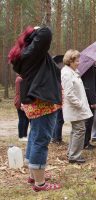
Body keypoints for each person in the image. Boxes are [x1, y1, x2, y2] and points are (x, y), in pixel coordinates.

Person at [9, 26, 62, 191]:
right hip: (42, 103)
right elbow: (46, 33)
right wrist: (36, 29)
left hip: (36, 102)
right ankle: (40, 183)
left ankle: (34, 176)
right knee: (41, 140)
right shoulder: (33, 53)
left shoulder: (24, 55)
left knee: (34, 136)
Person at [61, 49, 93, 164]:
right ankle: (74, 156)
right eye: (77, 61)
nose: (79, 62)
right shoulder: (66, 73)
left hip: (77, 108)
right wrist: (80, 105)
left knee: (76, 130)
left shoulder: (72, 71)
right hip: (75, 108)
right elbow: (68, 94)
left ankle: (71, 153)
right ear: (70, 61)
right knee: (79, 130)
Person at [81, 62, 96, 150]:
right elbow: (90, 85)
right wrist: (93, 101)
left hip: (86, 97)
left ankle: (86, 142)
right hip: (89, 99)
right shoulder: (90, 68)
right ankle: (85, 143)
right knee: (88, 121)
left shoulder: (90, 67)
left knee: (88, 121)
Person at [14, 75, 29, 142]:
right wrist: (22, 103)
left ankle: (24, 135)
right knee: (22, 119)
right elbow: (22, 92)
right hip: (21, 101)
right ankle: (21, 136)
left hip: (21, 100)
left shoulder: (20, 78)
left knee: (26, 119)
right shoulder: (20, 79)